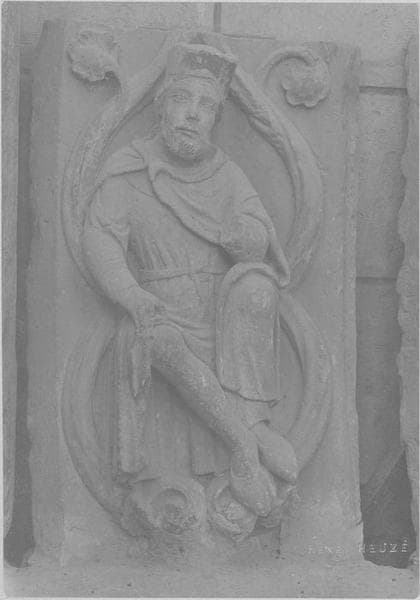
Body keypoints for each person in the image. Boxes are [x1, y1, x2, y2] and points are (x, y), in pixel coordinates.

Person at [82, 43, 297, 518]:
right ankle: (244, 444)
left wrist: (246, 237)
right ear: (161, 107)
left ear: (216, 119)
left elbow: (258, 233)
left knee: (257, 286)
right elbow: (101, 240)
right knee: (157, 340)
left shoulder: (227, 173)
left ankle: (254, 419)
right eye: (182, 100)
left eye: (207, 106)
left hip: (222, 316)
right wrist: (132, 295)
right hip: (160, 312)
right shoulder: (129, 170)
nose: (193, 115)